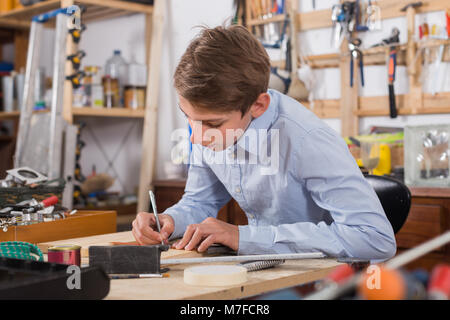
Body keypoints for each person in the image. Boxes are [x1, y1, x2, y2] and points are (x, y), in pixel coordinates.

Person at [132, 25, 396, 261]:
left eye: (212, 124)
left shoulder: (306, 140)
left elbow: (374, 238)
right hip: (265, 270)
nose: (196, 138)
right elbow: (199, 202)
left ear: (258, 105)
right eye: (188, 117)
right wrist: (168, 220)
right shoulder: (207, 127)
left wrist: (243, 237)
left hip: (325, 281)